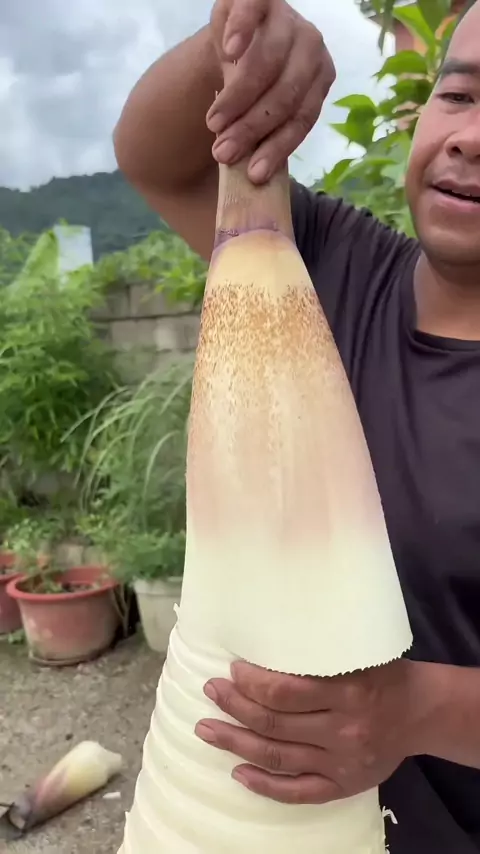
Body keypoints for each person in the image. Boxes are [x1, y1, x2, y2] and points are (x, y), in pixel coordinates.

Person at [114, 1, 480, 850]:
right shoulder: (332, 266)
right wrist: (231, 47)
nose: (469, 138)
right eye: (459, 96)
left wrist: (419, 710)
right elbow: (155, 157)